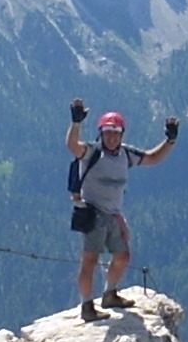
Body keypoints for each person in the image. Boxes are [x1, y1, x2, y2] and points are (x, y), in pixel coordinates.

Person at [66, 98, 178, 321]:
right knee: (89, 261)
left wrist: (170, 140)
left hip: (114, 215)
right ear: (100, 133)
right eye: (108, 132)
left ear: (122, 135)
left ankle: (110, 294)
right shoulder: (91, 152)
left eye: (116, 133)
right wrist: (76, 123)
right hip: (93, 215)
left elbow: (152, 158)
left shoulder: (126, 154)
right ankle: (87, 306)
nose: (112, 137)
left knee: (123, 257)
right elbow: (72, 145)